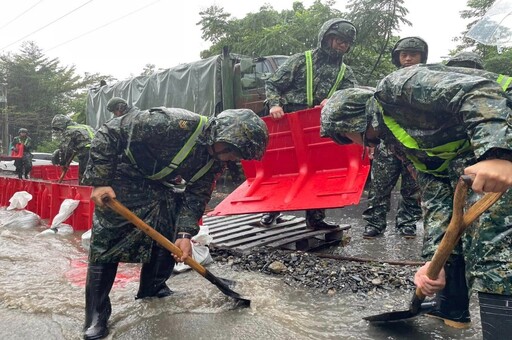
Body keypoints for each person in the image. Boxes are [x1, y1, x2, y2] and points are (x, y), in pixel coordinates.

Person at [321, 64, 512, 339]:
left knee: (492, 239)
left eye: (345, 138)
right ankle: (452, 311)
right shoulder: (399, 141)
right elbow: (435, 198)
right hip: (485, 147)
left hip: (502, 127)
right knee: (458, 236)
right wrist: (434, 262)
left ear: (349, 122)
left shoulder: (396, 88)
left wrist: (497, 154)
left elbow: (479, 92)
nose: (352, 144)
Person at [81, 105, 268, 340]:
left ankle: (153, 289)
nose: (234, 158)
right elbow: (109, 132)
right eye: (233, 151)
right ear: (222, 137)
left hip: (161, 186)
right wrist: (100, 180)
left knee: (168, 230)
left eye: (238, 155)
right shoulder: (172, 124)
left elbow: (196, 197)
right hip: (123, 176)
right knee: (107, 241)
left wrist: (184, 234)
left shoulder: (214, 162)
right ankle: (96, 315)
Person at [261, 18, 358, 229]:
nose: (342, 45)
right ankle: (272, 210)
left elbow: (353, 96)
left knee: (319, 170)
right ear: (327, 38)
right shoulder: (301, 60)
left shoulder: (345, 72)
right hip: (289, 124)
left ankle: (315, 219)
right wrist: (275, 105)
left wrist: (334, 100)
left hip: (320, 128)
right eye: (339, 40)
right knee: (284, 168)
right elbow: (273, 83)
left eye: (346, 42)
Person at [361, 36, 427, 239]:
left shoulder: (427, 81)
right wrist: (370, 140)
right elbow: (375, 109)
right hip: (387, 143)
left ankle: (407, 223)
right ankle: (375, 223)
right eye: (403, 55)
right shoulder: (387, 81)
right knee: (380, 186)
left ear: (422, 57)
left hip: (415, 145)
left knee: (412, 188)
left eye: (413, 55)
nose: (407, 59)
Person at [51, 114, 95, 184]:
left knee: (84, 176)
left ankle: (84, 192)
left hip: (86, 154)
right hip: (99, 152)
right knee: (96, 174)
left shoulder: (69, 130)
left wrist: (64, 162)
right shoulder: (86, 127)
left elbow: (67, 149)